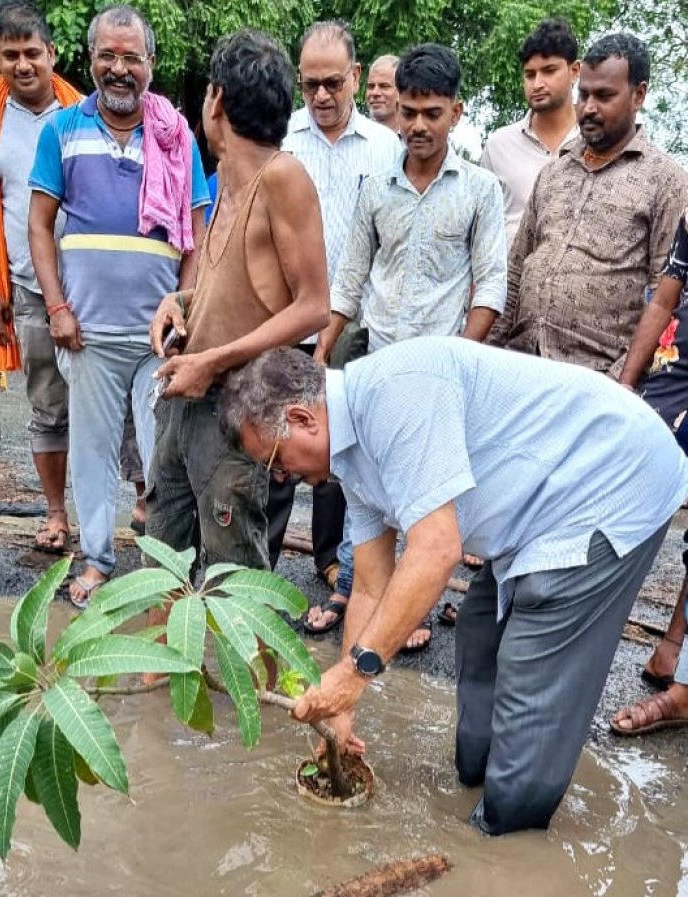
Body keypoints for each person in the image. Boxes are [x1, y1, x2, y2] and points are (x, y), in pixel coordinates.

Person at [221, 340, 688, 835]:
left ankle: (505, 834)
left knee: (532, 660)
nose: (281, 476)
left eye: (275, 459)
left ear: (302, 418)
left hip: (610, 482)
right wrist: (343, 709)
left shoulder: (395, 396)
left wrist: (355, 674)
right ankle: (477, 781)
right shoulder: (349, 457)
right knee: (479, 634)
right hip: (538, 505)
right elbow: (369, 587)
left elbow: (436, 551)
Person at [311, 43, 506, 649]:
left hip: (445, 374)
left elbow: (490, 284)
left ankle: (407, 610)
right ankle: (355, 592)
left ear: (457, 112)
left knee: (428, 495)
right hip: (379, 362)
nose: (418, 126)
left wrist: (459, 360)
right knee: (366, 480)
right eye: (409, 112)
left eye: (432, 113)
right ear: (395, 110)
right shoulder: (377, 187)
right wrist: (320, 357)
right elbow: (350, 279)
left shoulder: (480, 189)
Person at [28, 3, 209, 606]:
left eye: (132, 57)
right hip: (90, 333)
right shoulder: (62, 131)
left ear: (151, 64)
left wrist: (184, 307)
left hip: (160, 337)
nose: (119, 68)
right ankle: (98, 560)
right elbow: (38, 225)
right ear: (91, 60)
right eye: (108, 55)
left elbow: (197, 228)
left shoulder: (177, 134)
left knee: (165, 463)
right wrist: (56, 306)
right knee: (93, 456)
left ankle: (168, 573)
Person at [143, 29, 329, 592]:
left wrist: (214, 360)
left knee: (236, 582)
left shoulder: (283, 176)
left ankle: (254, 683)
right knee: (161, 564)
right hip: (183, 399)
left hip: (238, 406)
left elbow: (314, 307)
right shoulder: (223, 177)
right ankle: (159, 678)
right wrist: (177, 303)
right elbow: (236, 286)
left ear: (216, 99)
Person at [281, 20, 401, 623]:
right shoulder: (285, 139)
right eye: (310, 85)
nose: (322, 97)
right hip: (287, 319)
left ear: (355, 78)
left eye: (333, 83)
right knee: (276, 441)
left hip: (354, 324)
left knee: (341, 448)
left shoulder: (385, 148)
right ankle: (260, 567)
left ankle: (333, 563)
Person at [491, 32, 688, 376]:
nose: (589, 107)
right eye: (583, 94)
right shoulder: (553, 173)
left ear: (638, 95)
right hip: (518, 366)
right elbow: (516, 271)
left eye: (604, 96)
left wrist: (622, 384)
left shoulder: (666, 181)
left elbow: (664, 298)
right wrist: (485, 355)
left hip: (595, 379)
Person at [0, 0, 80, 554]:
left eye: (33, 52)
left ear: (52, 53)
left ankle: (142, 504)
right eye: (11, 54)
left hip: (89, 289)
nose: (23, 64)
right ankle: (56, 514)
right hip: (27, 288)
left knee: (120, 407)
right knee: (47, 404)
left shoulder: (84, 112)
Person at [611, 208, 688, 735]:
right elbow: (666, 295)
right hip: (677, 364)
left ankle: (681, 677)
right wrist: (626, 383)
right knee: (628, 483)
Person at [481, 18, 580, 247]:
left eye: (549, 71)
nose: (537, 84)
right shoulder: (499, 146)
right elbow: (479, 226)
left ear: (574, 71)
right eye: (530, 74)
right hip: (510, 280)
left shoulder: (596, 142)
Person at [365, 55, 400, 134]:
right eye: (371, 86)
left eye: (384, 86)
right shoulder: (356, 139)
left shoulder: (413, 139)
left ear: (401, 91)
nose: (375, 93)